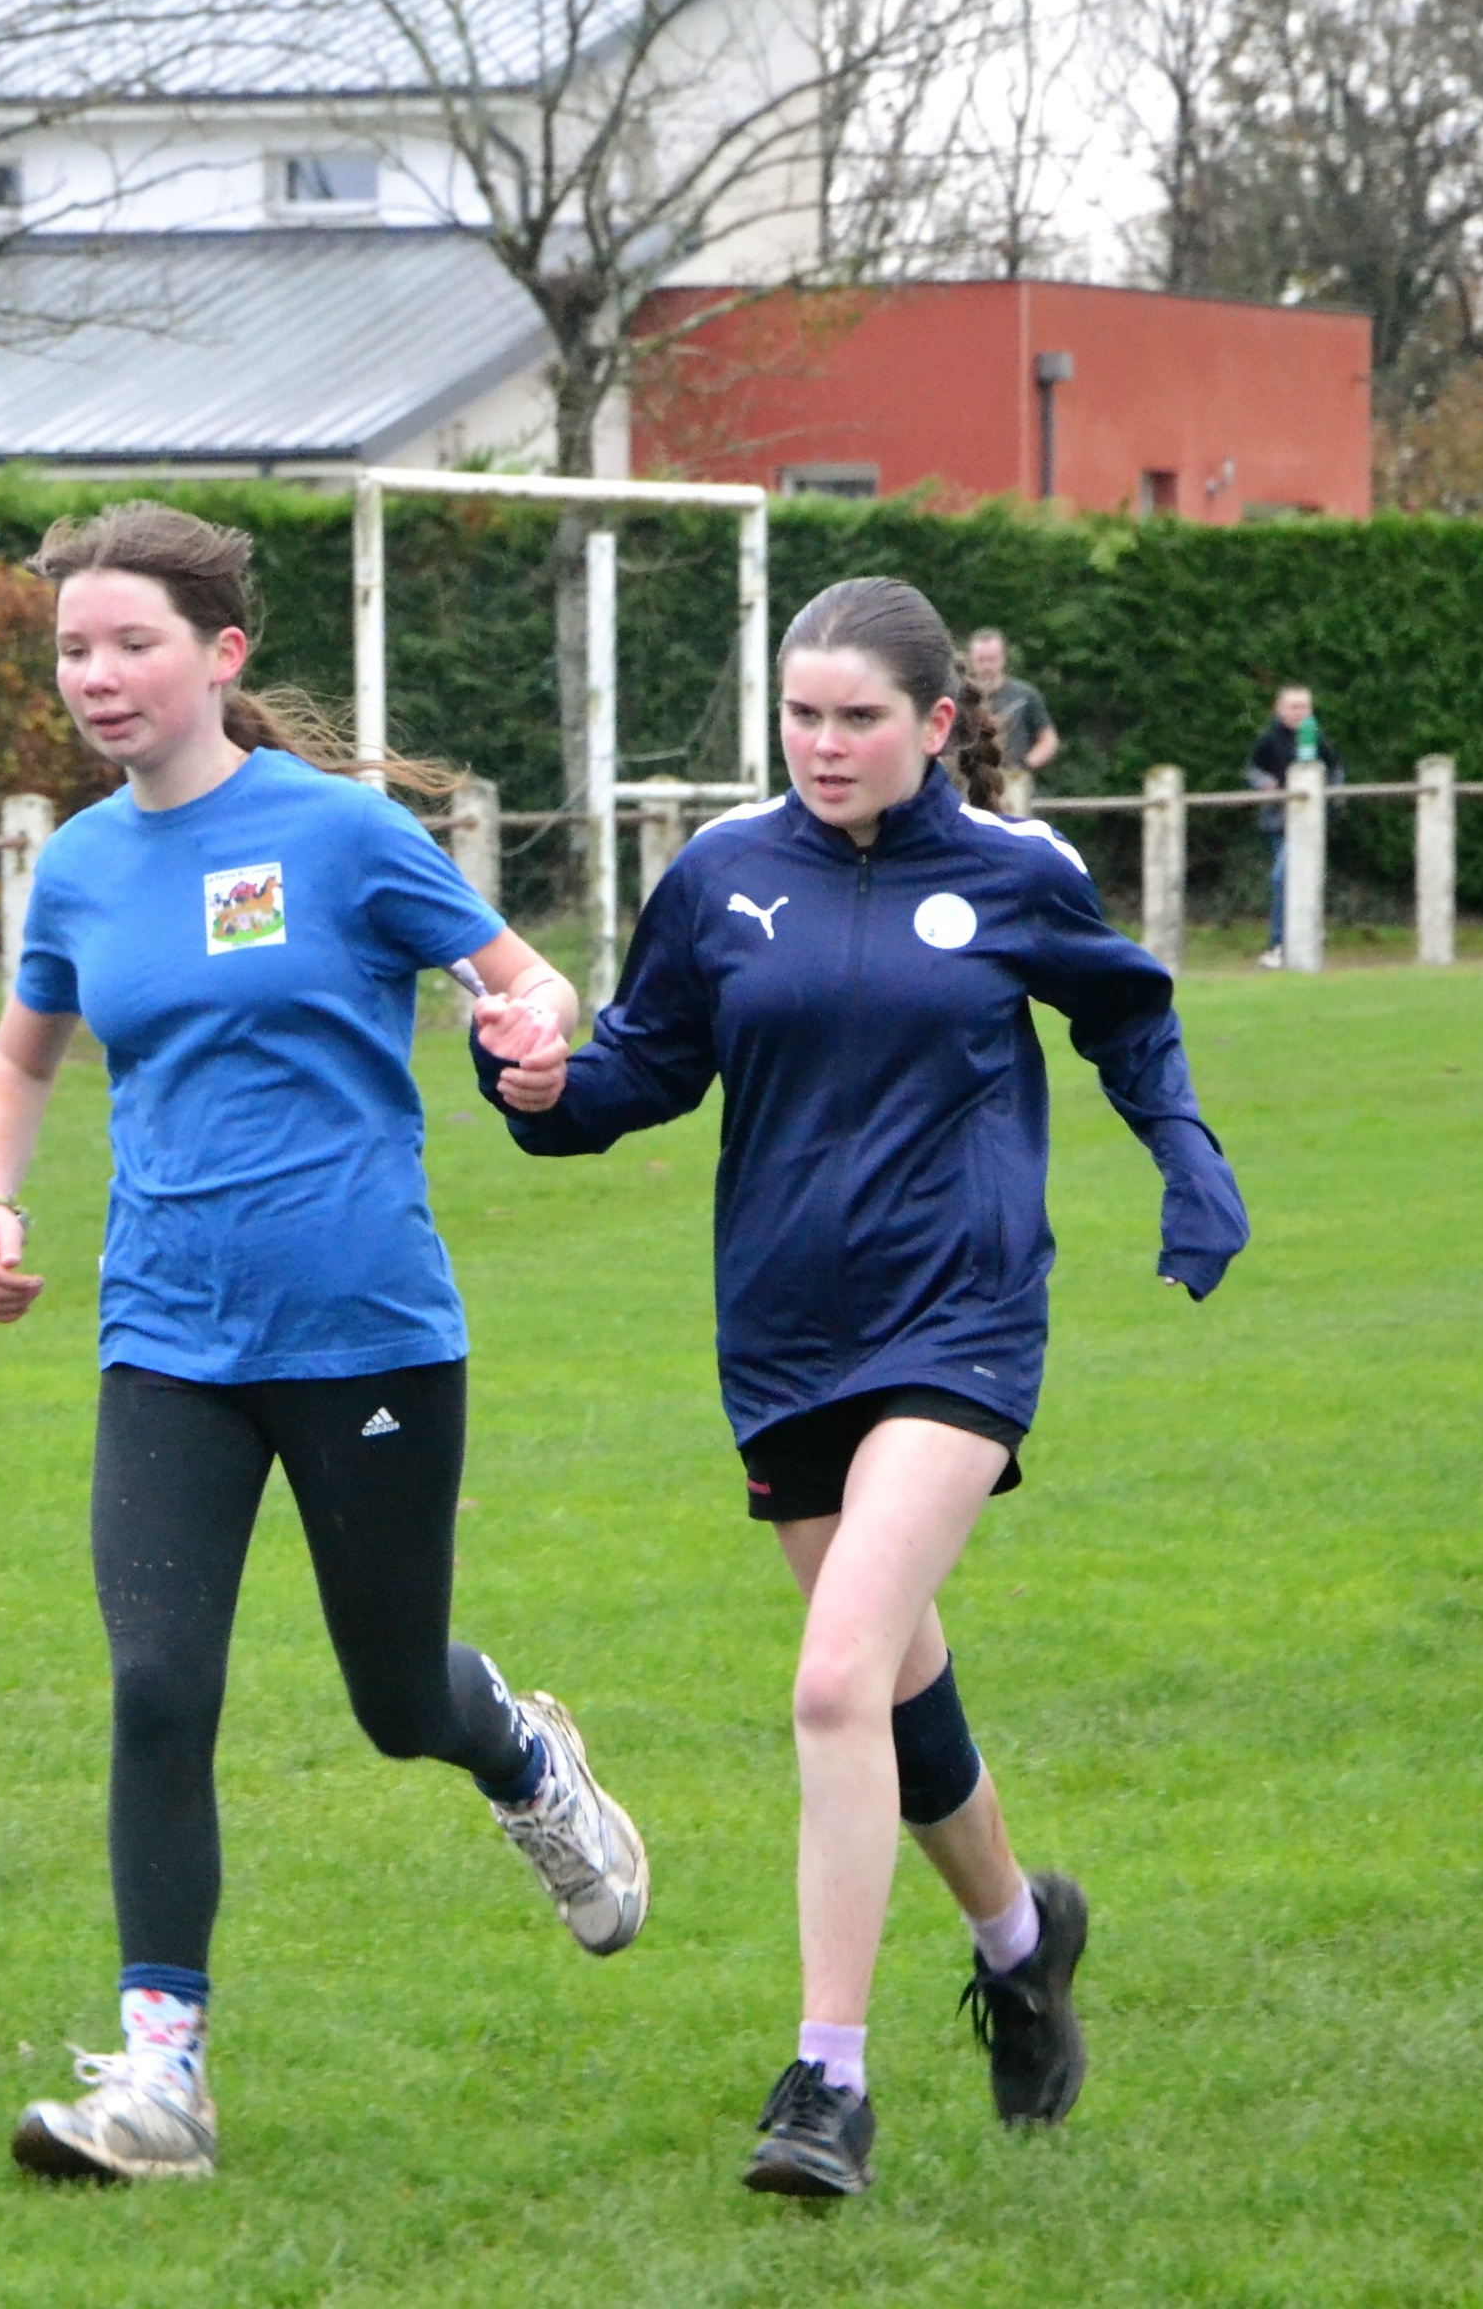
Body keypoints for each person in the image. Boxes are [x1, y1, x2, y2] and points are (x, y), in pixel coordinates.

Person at [477, 575, 1248, 2199]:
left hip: (960, 1321)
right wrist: (540, 1090)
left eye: (860, 718)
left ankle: (826, 2082)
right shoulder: (720, 875)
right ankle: (1022, 1941)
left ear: (938, 723)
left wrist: (1187, 1158)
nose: (824, 745)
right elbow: (643, 1068)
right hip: (780, 1335)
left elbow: (1130, 1017)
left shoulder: (1015, 873)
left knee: (835, 1682)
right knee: (898, 1680)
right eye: (801, 716)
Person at [0, 500, 651, 2186]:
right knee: (156, 1685)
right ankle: (163, 2075)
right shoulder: (83, 865)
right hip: (166, 1337)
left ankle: (523, 1755)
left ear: (222, 654)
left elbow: (530, 978)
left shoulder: (339, 834)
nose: (97, 675)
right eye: (73, 648)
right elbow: (23, 1057)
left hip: (366, 1334)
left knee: (397, 1700)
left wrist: (527, 1026)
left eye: (131, 643)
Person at [1245, 683, 1339, 970]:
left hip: (1309, 822)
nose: (1300, 713)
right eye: (1294, 707)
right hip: (1279, 821)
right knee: (1286, 878)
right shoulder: (1269, 738)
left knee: (1284, 877)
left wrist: (1333, 802)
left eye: (1304, 707)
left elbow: (1335, 770)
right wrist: (1266, 784)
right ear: (1280, 710)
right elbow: (1252, 769)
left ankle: (1282, 942)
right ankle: (1290, 938)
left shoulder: (1318, 738)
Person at [962, 629, 1058, 804]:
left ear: (1003, 658)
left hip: (1014, 779)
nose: (987, 666)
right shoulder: (961, 698)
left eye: (992, 659)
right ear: (971, 659)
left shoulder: (1025, 695)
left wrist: (1026, 764)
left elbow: (1048, 739)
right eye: (981, 660)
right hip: (971, 780)